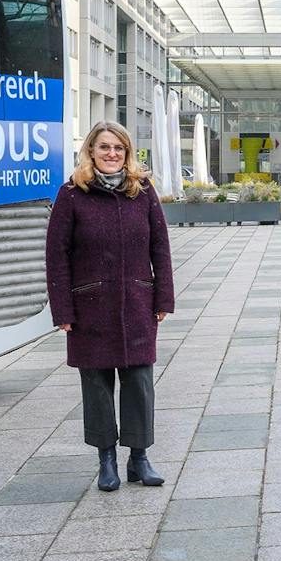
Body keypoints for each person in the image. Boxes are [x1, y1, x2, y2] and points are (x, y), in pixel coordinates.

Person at [46, 121, 175, 492]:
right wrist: (63, 312)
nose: (112, 154)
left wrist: (163, 297)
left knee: (138, 382)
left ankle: (139, 457)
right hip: (90, 306)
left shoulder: (143, 190)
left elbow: (160, 249)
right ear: (90, 151)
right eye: (104, 147)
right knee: (97, 385)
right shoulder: (72, 194)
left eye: (118, 148)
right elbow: (57, 256)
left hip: (137, 302)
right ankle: (106, 459)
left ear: (128, 153)